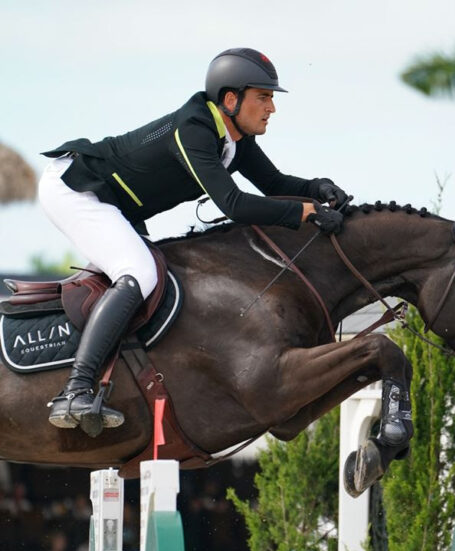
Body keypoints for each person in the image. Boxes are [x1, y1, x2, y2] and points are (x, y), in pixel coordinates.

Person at [38, 47, 348, 436]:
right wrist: (304, 214)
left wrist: (316, 189)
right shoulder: (194, 130)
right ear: (231, 99)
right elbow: (233, 204)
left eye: (271, 98)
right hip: (76, 188)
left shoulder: (233, 140)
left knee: (143, 275)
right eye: (263, 97)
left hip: (108, 200)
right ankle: (75, 390)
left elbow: (273, 186)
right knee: (140, 272)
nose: (272, 108)